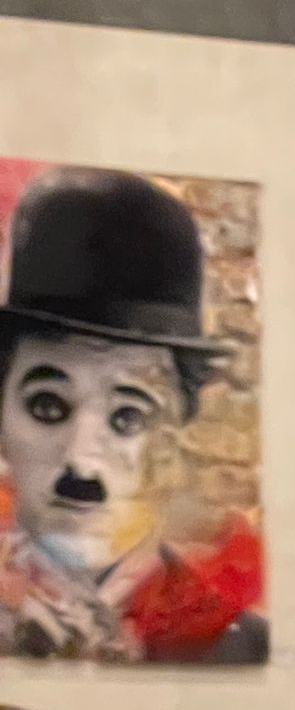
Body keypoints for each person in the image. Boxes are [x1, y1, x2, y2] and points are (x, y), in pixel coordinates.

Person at [0, 169, 265, 663]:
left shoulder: (238, 648)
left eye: (128, 418)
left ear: (179, 434)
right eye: (47, 407)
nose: (82, 464)